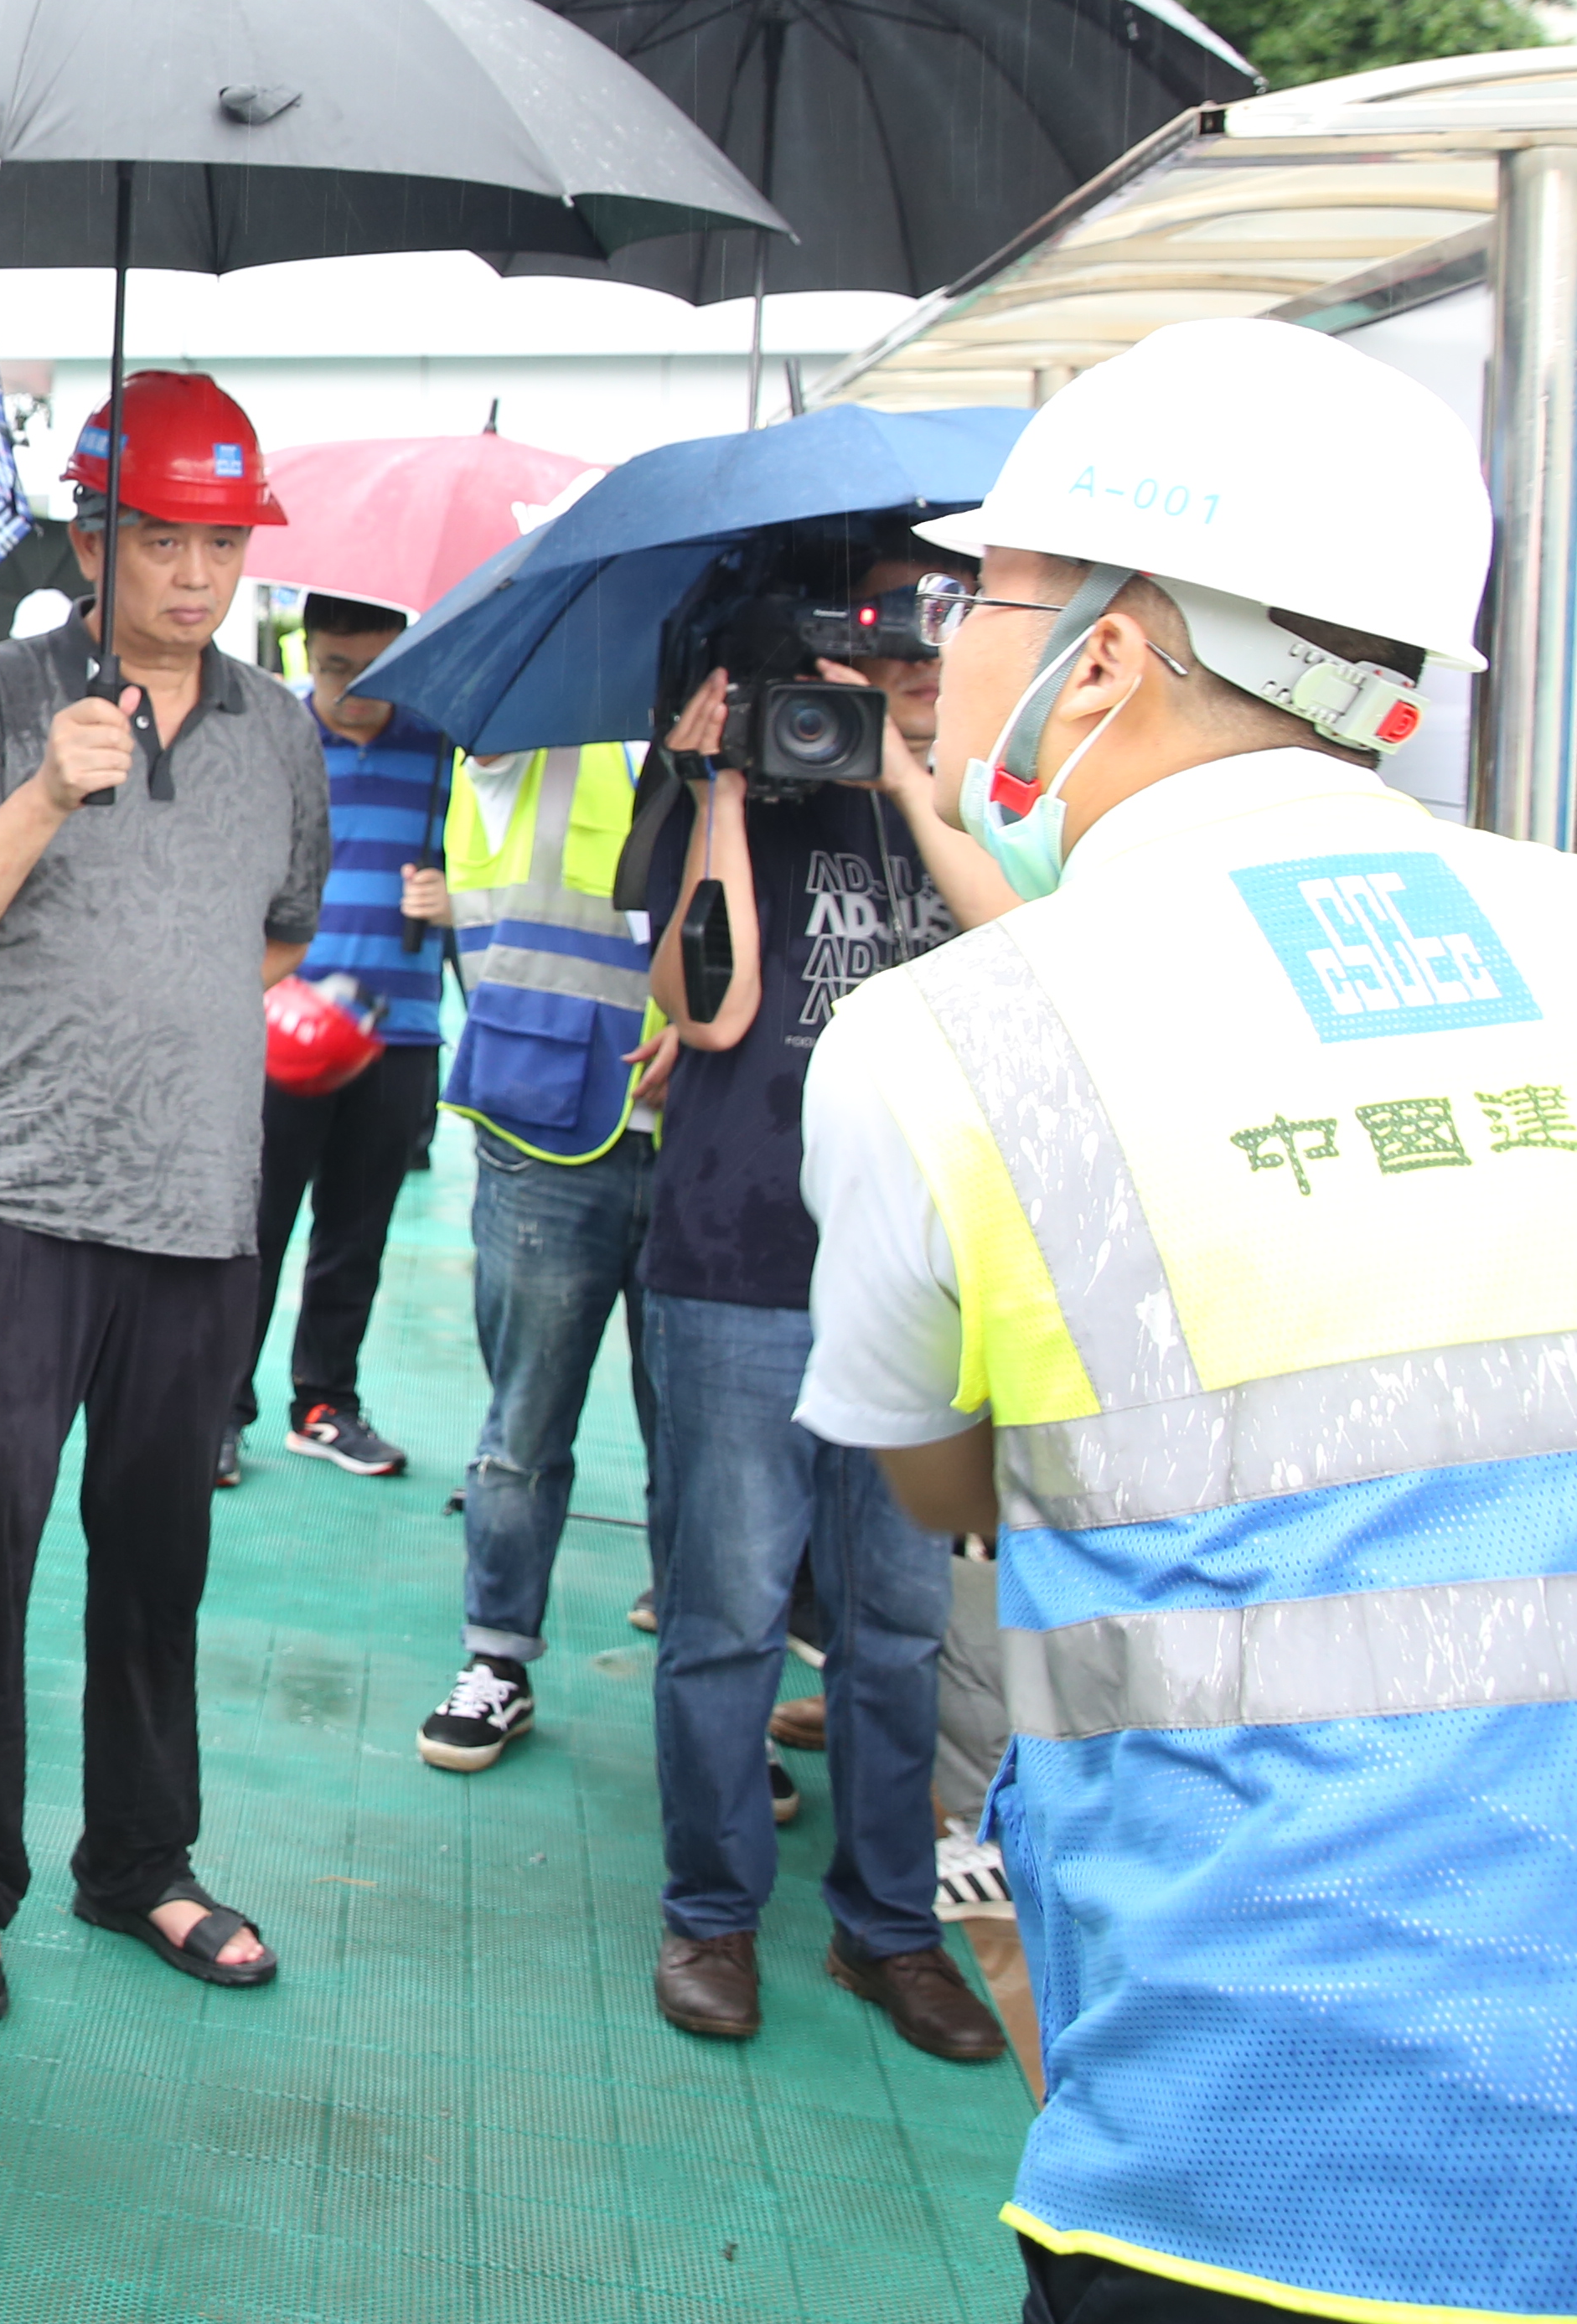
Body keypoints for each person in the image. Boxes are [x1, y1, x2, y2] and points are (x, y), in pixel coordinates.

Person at [800, 318, 1577, 2324]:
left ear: (1103, 650)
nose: (930, 643)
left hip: (1251, 2148)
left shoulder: (948, 1043)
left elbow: (954, 1481)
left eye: (972, 596)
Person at [0, 371, 324, 2017]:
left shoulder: (277, 726)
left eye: (225, 542)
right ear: (94, 533)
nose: (200, 577)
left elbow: (274, 933)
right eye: (164, 538)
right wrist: (50, 789)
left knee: (158, 1550)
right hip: (7, 1192)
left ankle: (141, 1856)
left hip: (200, 1203)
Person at [636, 521, 1011, 2063]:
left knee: (899, 1628)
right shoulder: (727, 801)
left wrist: (914, 789)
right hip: (738, 1264)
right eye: (858, 670)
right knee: (725, 1621)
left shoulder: (981, 810)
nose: (892, 689)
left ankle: (889, 1931)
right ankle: (712, 1916)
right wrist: (722, 787)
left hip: (923, 1281)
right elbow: (707, 1010)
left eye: (920, 661)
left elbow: (1025, 958)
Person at [410, 728, 665, 1775]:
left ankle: (710, 1705)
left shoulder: (770, 740)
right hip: (548, 1122)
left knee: (706, 1450)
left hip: (721, 1132)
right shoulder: (541, 731)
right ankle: (497, 1659)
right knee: (523, 1427)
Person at [235, 591, 452, 1484]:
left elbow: (486, 865)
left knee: (356, 1232)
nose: (354, 689)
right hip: (275, 1028)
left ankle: (326, 1403)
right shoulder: (271, 741)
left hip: (397, 1030)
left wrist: (456, 898)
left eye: (376, 670)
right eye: (334, 668)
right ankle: (216, 1408)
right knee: (250, 1228)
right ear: (307, 650)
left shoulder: (444, 744)